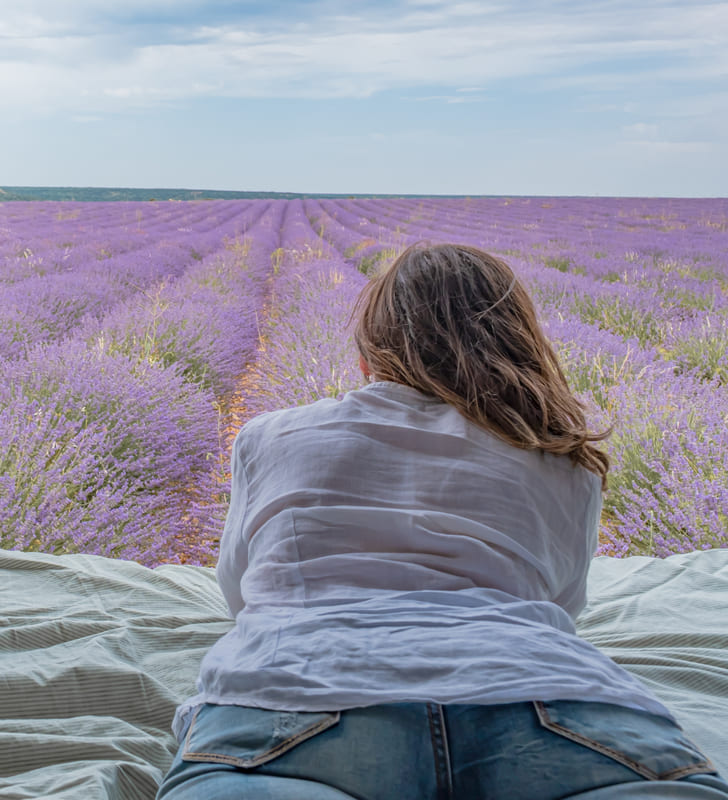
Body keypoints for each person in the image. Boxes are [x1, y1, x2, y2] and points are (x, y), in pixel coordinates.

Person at [156, 243, 728, 799]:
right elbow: (561, 604)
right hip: (553, 698)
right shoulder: (560, 456)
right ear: (518, 344)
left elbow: (242, 599)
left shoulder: (270, 437)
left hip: (296, 698)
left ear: (370, 355)